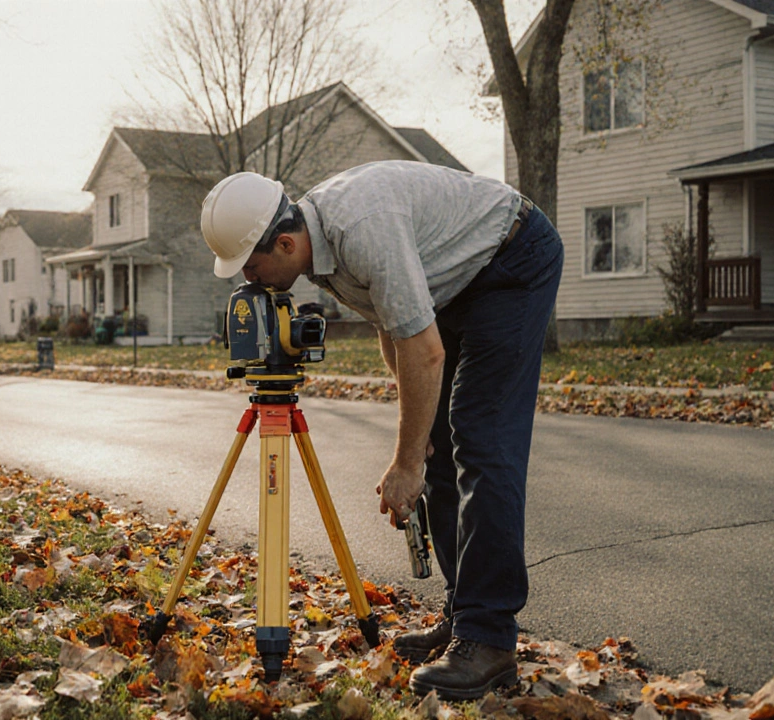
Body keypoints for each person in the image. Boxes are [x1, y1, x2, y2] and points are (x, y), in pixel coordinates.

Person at [199, 161, 563, 701]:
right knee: (436, 440)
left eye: (249, 266)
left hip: (512, 260)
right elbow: (395, 331)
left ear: (282, 243)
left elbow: (426, 349)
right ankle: (463, 613)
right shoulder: (318, 255)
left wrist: (406, 461)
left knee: (482, 439)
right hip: (459, 278)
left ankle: (489, 641)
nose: (248, 280)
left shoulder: (360, 227)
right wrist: (417, 440)